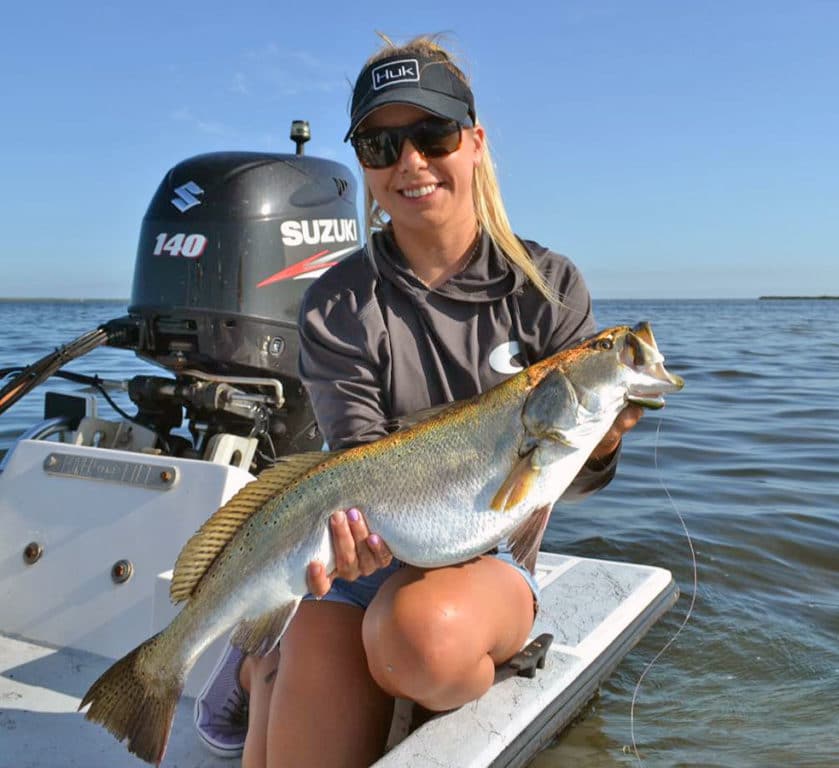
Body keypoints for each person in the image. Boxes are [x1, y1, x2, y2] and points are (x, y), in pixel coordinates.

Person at [194, 34, 641, 768]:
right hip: (358, 563)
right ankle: (254, 657)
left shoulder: (549, 290)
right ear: (364, 163)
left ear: (475, 140)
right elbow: (359, 466)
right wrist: (351, 550)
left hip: (486, 559)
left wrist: (607, 439)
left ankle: (334, 669)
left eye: (433, 134)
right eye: (380, 144)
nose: (411, 162)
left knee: (418, 636)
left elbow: (578, 476)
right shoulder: (336, 302)